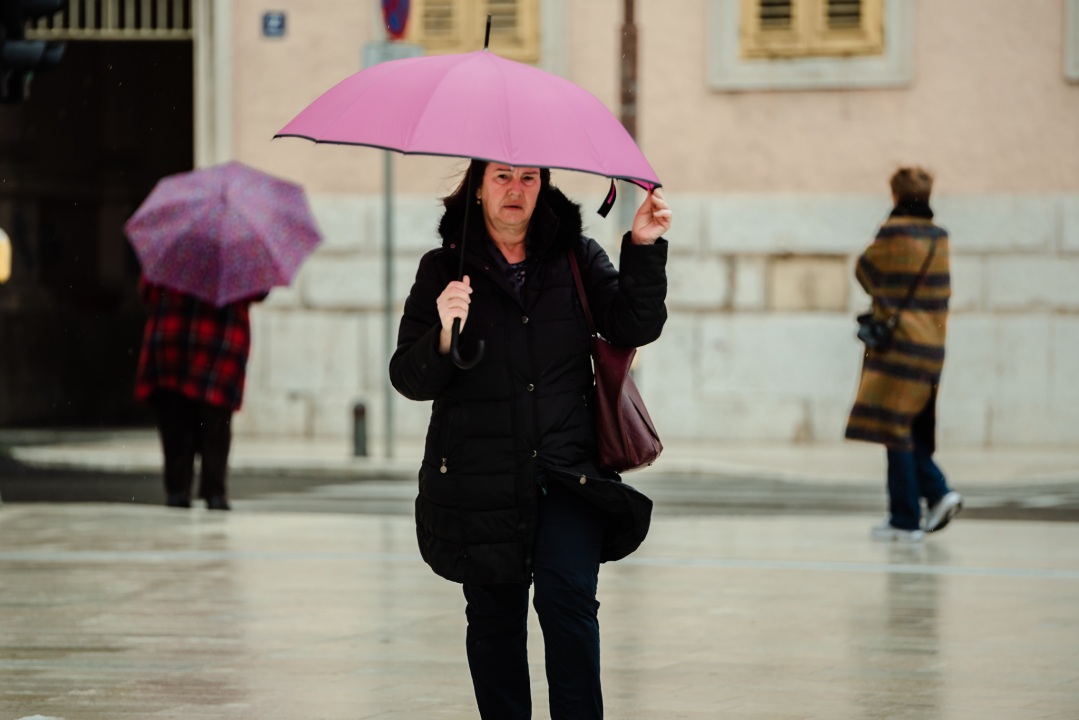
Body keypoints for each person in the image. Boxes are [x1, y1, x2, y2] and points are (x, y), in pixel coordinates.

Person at [390, 161, 671, 720]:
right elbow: (408, 379)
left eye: (528, 178)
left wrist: (643, 249)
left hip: (568, 470)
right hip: (480, 475)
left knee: (568, 603)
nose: (515, 190)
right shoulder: (442, 269)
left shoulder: (576, 257)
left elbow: (634, 326)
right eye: (501, 177)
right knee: (494, 620)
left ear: (543, 186)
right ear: (477, 188)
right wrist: (443, 334)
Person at [846, 167, 963, 542]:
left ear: (896, 196)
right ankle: (912, 509)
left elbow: (863, 271)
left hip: (898, 348)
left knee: (894, 427)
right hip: (932, 346)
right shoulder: (939, 238)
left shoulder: (893, 234)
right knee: (913, 426)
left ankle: (919, 508)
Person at [134, 280, 264, 510]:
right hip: (220, 338)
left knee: (175, 421)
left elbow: (148, 292)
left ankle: (178, 489)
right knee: (216, 422)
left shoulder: (173, 258)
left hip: (174, 333)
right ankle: (214, 492)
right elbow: (259, 292)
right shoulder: (236, 263)